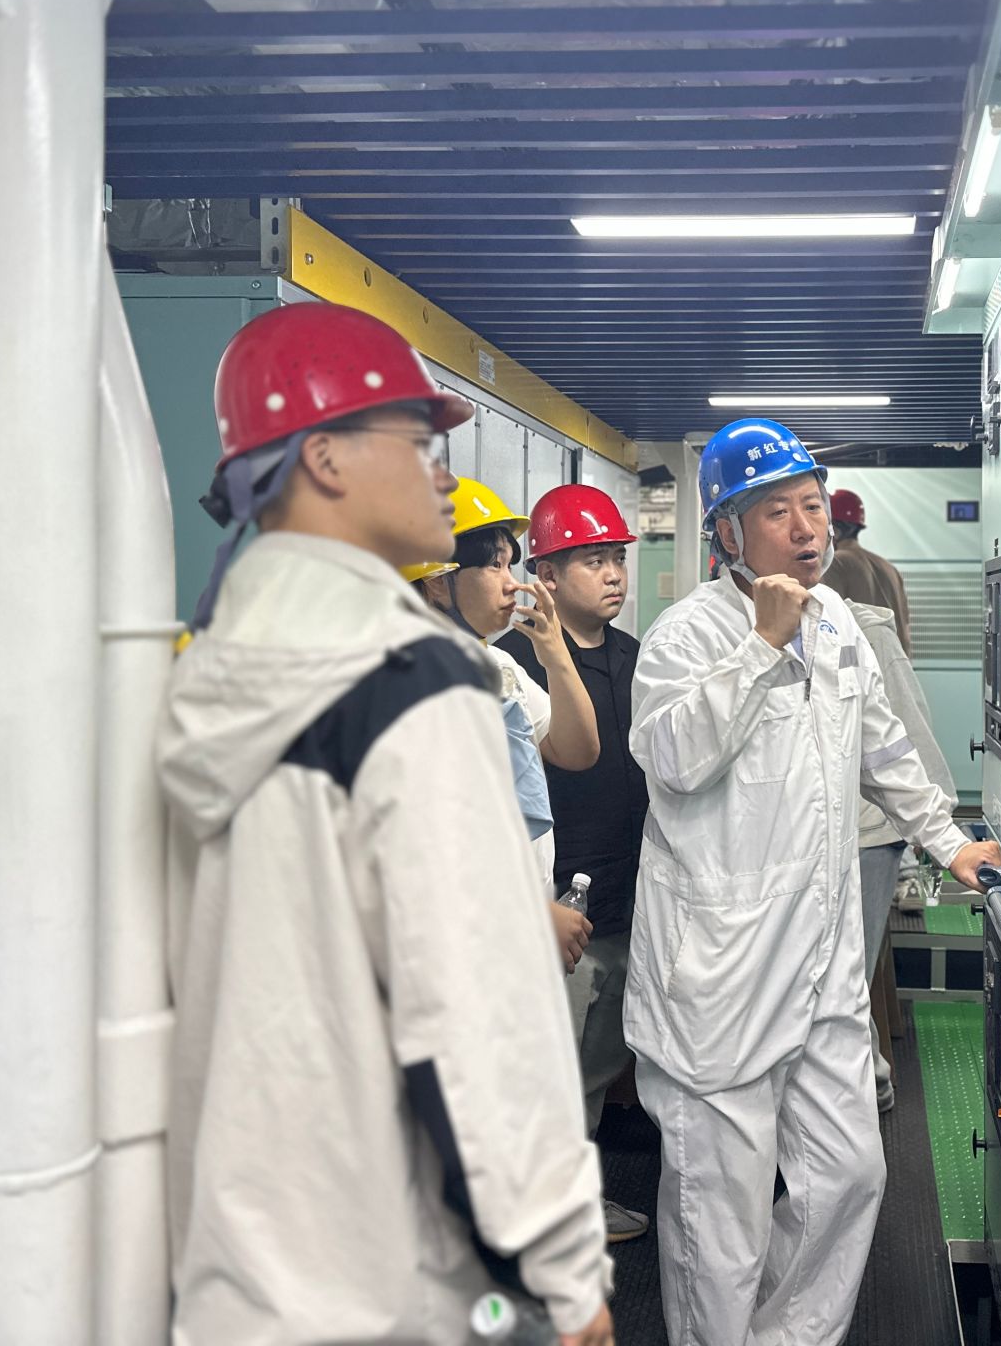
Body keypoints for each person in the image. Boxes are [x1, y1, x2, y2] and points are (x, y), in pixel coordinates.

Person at [157, 302, 613, 1346]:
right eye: (418, 441)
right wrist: (560, 1263)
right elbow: (474, 1002)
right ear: (323, 458)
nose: (445, 474)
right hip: (395, 1271)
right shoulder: (411, 679)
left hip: (242, 1265)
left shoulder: (208, 667)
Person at [624, 418, 1001, 1346]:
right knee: (720, 1223)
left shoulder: (836, 622)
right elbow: (672, 760)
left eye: (811, 506)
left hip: (823, 963)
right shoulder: (685, 636)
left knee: (850, 1177)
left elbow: (885, 748)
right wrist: (762, 646)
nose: (806, 528)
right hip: (719, 978)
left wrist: (947, 840)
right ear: (726, 532)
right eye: (777, 512)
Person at [495, 485, 651, 1246]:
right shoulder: (514, 663)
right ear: (546, 577)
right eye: (593, 560)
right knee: (541, 1071)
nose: (614, 573)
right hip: (556, 904)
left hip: (629, 899)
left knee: (594, 1065)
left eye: (616, 557)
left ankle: (572, 1206)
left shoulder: (636, 658)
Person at [409, 480, 600, 972]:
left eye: (510, 565)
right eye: (495, 565)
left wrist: (555, 655)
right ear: (438, 580)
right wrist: (529, 914)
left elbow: (577, 750)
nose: (512, 582)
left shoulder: (495, 666)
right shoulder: (412, 680)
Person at [850, 600, 958, 1114]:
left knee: (845, 978)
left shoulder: (863, 628)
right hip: (810, 836)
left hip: (868, 832)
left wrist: (938, 834)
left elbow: (905, 734)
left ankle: (871, 1089)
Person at [823, 488, 912, 654]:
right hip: (896, 665)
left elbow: (828, 629)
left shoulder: (835, 563)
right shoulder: (889, 568)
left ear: (834, 529)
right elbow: (905, 628)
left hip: (860, 667)